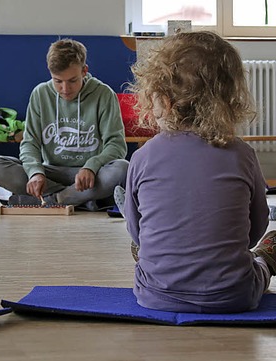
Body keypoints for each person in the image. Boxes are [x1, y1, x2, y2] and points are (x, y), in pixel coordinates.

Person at [124, 31, 274, 313]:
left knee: (143, 249)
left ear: (164, 101)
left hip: (156, 295)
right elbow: (255, 228)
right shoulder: (242, 154)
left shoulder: (142, 157)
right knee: (260, 258)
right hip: (235, 295)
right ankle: (267, 260)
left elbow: (136, 230)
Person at [0, 39, 128, 210]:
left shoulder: (104, 94)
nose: (65, 88)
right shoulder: (40, 94)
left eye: (72, 80)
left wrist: (92, 166)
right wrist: (35, 172)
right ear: (50, 73)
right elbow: (30, 143)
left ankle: (55, 200)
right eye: (58, 81)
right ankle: (81, 200)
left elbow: (116, 145)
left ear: (84, 71)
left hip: (90, 174)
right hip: (50, 173)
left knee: (122, 168)